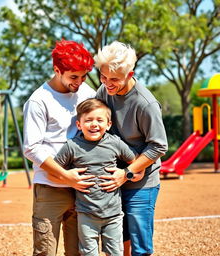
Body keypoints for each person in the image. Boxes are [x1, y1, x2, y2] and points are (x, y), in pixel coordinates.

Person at [94, 41, 168, 256]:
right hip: (115, 176)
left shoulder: (145, 104)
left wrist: (129, 170)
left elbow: (159, 145)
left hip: (140, 182)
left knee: (140, 244)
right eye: (103, 76)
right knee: (120, 236)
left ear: (130, 74)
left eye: (114, 79)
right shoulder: (104, 90)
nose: (107, 83)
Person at [23, 40, 96, 256]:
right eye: (74, 77)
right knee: (46, 251)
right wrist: (65, 176)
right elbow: (32, 148)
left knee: (79, 251)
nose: (80, 82)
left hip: (82, 189)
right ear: (57, 70)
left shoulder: (88, 94)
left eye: (83, 76)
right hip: (50, 187)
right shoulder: (39, 100)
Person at [54, 98, 145, 256]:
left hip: (114, 214)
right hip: (86, 214)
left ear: (109, 125)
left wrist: (126, 175)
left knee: (115, 252)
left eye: (99, 120)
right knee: (88, 253)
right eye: (88, 120)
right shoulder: (72, 146)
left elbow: (136, 161)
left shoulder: (115, 143)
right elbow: (55, 170)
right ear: (79, 125)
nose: (94, 124)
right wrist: (68, 178)